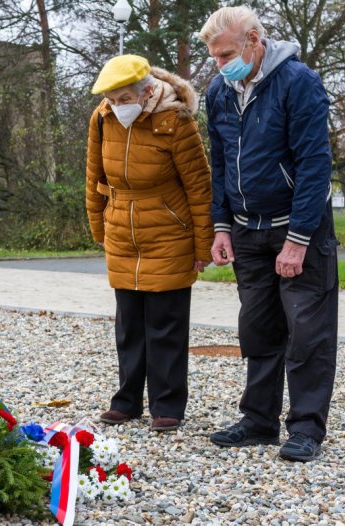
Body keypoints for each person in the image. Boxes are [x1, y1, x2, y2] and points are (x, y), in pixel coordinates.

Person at [199, 6, 338, 462]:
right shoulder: (218, 91)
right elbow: (219, 165)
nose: (220, 66)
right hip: (247, 230)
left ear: (254, 41)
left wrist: (298, 239)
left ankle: (305, 429)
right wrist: (221, 227)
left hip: (299, 230)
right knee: (257, 328)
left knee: (306, 333)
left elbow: (315, 165)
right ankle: (258, 420)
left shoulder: (299, 82)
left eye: (225, 55)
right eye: (214, 58)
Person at [85, 55, 213, 432]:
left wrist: (202, 247)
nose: (118, 105)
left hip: (169, 231)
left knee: (166, 324)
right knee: (129, 325)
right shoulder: (102, 118)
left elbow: (199, 187)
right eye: (112, 98)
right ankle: (126, 401)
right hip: (123, 229)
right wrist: (99, 228)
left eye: (125, 98)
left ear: (146, 91)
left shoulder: (176, 121)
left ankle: (167, 405)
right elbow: (94, 177)